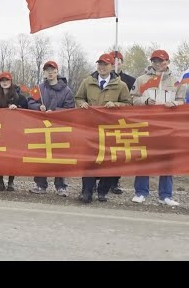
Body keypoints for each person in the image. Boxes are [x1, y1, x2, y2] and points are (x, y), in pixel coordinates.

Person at [74, 53, 132, 203]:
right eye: (99, 64)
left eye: (105, 64)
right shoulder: (88, 82)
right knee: (89, 160)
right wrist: (82, 104)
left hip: (110, 129)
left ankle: (103, 191)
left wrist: (116, 105)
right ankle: (86, 191)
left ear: (111, 66)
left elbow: (129, 104)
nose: (102, 67)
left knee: (108, 160)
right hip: (91, 128)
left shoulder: (121, 85)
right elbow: (78, 98)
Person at [130, 49, 185, 206]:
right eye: (154, 61)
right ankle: (140, 192)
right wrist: (145, 101)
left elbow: (182, 101)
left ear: (167, 62)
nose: (157, 63)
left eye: (160, 61)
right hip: (146, 125)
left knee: (167, 159)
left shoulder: (176, 82)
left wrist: (174, 103)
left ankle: (165, 195)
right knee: (144, 158)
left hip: (168, 127)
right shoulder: (141, 80)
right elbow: (132, 99)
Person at [28, 61, 75, 196]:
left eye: (52, 70)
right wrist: (38, 107)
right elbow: (30, 102)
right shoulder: (39, 88)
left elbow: (70, 109)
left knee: (59, 157)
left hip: (59, 130)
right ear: (44, 72)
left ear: (56, 72)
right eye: (47, 70)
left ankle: (61, 186)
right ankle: (40, 184)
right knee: (41, 157)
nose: (49, 72)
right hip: (41, 129)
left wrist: (54, 111)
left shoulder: (66, 90)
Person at [0, 71, 28, 192]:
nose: (5, 82)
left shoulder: (19, 96)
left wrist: (17, 108)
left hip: (14, 131)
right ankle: (0, 181)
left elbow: (27, 110)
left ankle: (11, 182)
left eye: (7, 80)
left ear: (11, 81)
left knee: (12, 157)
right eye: (2, 80)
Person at [108, 51, 136, 195]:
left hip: (121, 123)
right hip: (100, 122)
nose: (115, 64)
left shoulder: (130, 81)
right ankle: (96, 181)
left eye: (118, 61)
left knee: (117, 154)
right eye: (112, 61)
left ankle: (114, 181)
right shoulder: (94, 78)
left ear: (122, 63)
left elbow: (132, 102)